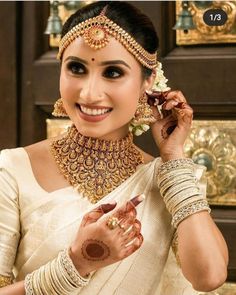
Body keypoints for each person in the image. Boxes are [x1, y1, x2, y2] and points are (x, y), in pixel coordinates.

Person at [0, 1, 228, 294]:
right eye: (77, 68)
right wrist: (76, 264)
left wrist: (173, 158)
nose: (89, 93)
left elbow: (209, 276)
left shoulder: (169, 179)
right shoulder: (14, 169)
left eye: (112, 73)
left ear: (148, 81)